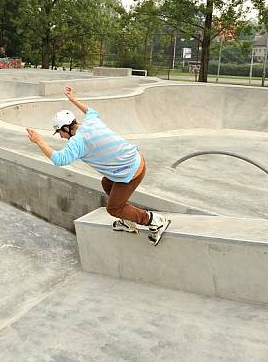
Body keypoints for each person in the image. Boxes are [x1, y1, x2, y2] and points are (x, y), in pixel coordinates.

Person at [26, 86, 171, 245]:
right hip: (136, 159)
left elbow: (59, 159)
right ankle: (127, 221)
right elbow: (91, 111)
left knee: (113, 208)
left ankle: (154, 220)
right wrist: (73, 99)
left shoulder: (78, 142)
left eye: (59, 132)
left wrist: (39, 141)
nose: (61, 137)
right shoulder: (91, 121)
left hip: (131, 172)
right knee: (106, 182)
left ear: (66, 128)